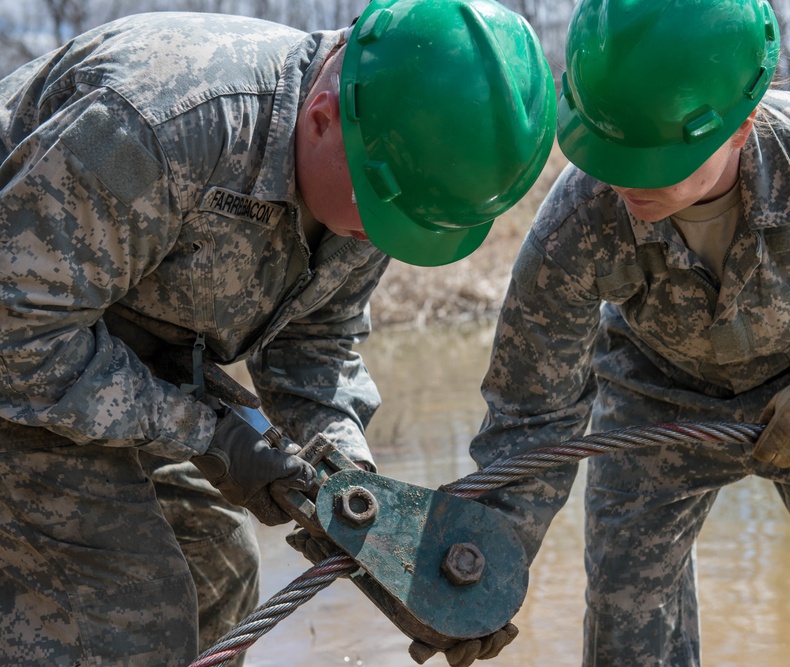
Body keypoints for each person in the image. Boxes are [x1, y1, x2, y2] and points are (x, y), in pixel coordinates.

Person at [0, 0, 555, 664]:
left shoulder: (382, 169)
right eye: (382, 216)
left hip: (101, 360)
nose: (384, 238)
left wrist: (367, 510)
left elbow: (313, 344)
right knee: (129, 606)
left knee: (218, 569)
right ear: (322, 119)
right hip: (20, 353)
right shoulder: (156, 123)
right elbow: (19, 333)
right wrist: (208, 430)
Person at [467, 0, 790, 664]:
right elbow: (531, 409)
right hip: (657, 398)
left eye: (655, 159)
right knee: (627, 624)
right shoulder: (578, 221)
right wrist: (482, 568)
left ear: (741, 127)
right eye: (613, 152)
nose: (625, 180)